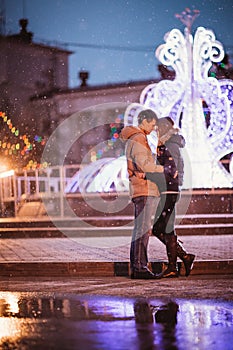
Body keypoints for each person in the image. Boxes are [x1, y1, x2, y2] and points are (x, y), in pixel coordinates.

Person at [146, 117, 195, 278]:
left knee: (161, 228)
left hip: (170, 191)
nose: (156, 131)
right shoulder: (165, 144)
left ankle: (176, 264)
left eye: (158, 128)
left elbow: (170, 170)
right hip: (167, 191)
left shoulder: (170, 145)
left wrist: (150, 173)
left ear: (165, 129)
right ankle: (183, 258)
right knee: (165, 228)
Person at [120, 109, 164, 279]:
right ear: (144, 121)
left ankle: (138, 266)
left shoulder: (135, 138)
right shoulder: (138, 138)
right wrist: (164, 169)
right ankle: (140, 267)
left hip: (140, 188)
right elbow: (145, 165)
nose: (153, 128)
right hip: (144, 188)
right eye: (152, 124)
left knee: (140, 229)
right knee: (143, 230)